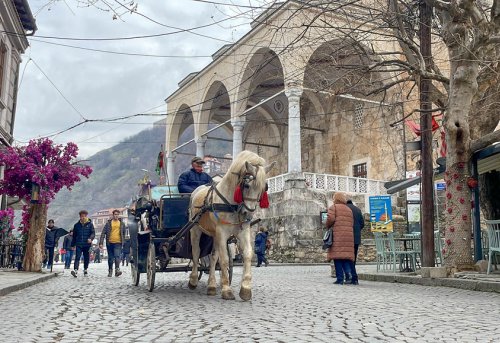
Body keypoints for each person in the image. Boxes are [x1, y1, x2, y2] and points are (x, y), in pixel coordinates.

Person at [326, 192, 355, 285]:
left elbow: (330, 219)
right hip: (348, 237)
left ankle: (340, 278)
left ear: (335, 199)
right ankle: (349, 276)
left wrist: (327, 225)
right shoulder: (348, 209)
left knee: (337, 257)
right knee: (345, 257)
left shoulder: (333, 207)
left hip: (338, 236)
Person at [99, 209, 127, 277]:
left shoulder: (122, 224)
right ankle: (110, 270)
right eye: (115, 214)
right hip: (110, 243)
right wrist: (101, 243)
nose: (116, 216)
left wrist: (123, 241)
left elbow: (123, 233)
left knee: (117, 256)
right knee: (110, 258)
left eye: (117, 214)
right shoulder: (108, 223)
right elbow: (103, 233)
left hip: (118, 242)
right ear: (113, 215)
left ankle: (117, 269)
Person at [71, 210, 95, 277]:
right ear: (80, 217)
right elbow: (74, 236)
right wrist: (72, 245)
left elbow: (93, 233)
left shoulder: (90, 224)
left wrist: (91, 238)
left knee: (86, 257)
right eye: (82, 216)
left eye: (84, 216)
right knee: (77, 257)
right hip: (78, 244)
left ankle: (85, 269)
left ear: (86, 216)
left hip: (87, 244)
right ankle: (75, 270)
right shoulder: (76, 225)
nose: (83, 217)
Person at [346, 198, 364, 285]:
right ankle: (353, 277)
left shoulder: (345, 209)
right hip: (356, 238)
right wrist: (357, 231)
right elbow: (362, 224)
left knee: (348, 258)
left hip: (347, 238)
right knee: (353, 258)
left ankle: (352, 277)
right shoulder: (357, 209)